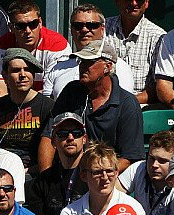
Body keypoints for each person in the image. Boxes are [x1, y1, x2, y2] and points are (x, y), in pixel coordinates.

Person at [42, 40, 144, 170]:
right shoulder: (71, 91)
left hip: (107, 177)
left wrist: (93, 176)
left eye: (89, 62)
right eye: (81, 62)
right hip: (66, 171)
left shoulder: (127, 104)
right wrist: (46, 178)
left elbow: (129, 158)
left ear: (108, 67)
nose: (82, 67)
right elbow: (48, 135)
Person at [56, 143, 146, 215]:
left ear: (117, 173)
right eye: (97, 172)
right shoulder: (69, 214)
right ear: (83, 176)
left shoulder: (133, 208)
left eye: (109, 171)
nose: (104, 177)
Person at [42, 5, 135, 103]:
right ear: (71, 30)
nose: (84, 30)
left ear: (103, 29)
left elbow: (123, 104)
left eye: (92, 25)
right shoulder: (58, 68)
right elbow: (48, 106)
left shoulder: (119, 67)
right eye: (78, 26)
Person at [24, 113, 89, 215]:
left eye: (76, 133)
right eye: (63, 134)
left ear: (84, 139)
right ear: (53, 141)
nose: (70, 138)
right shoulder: (42, 181)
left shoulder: (94, 177)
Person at [0, 48, 52, 172]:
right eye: (16, 70)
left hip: (33, 174)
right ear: (5, 76)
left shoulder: (48, 107)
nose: (23, 75)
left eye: (27, 70)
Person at [105, 0, 165, 104]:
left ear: (146, 3)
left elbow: (159, 88)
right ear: (117, 2)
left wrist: (126, 103)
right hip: (103, 102)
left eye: (139, 0)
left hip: (140, 108)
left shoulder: (158, 36)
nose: (133, 3)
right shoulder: (102, 28)